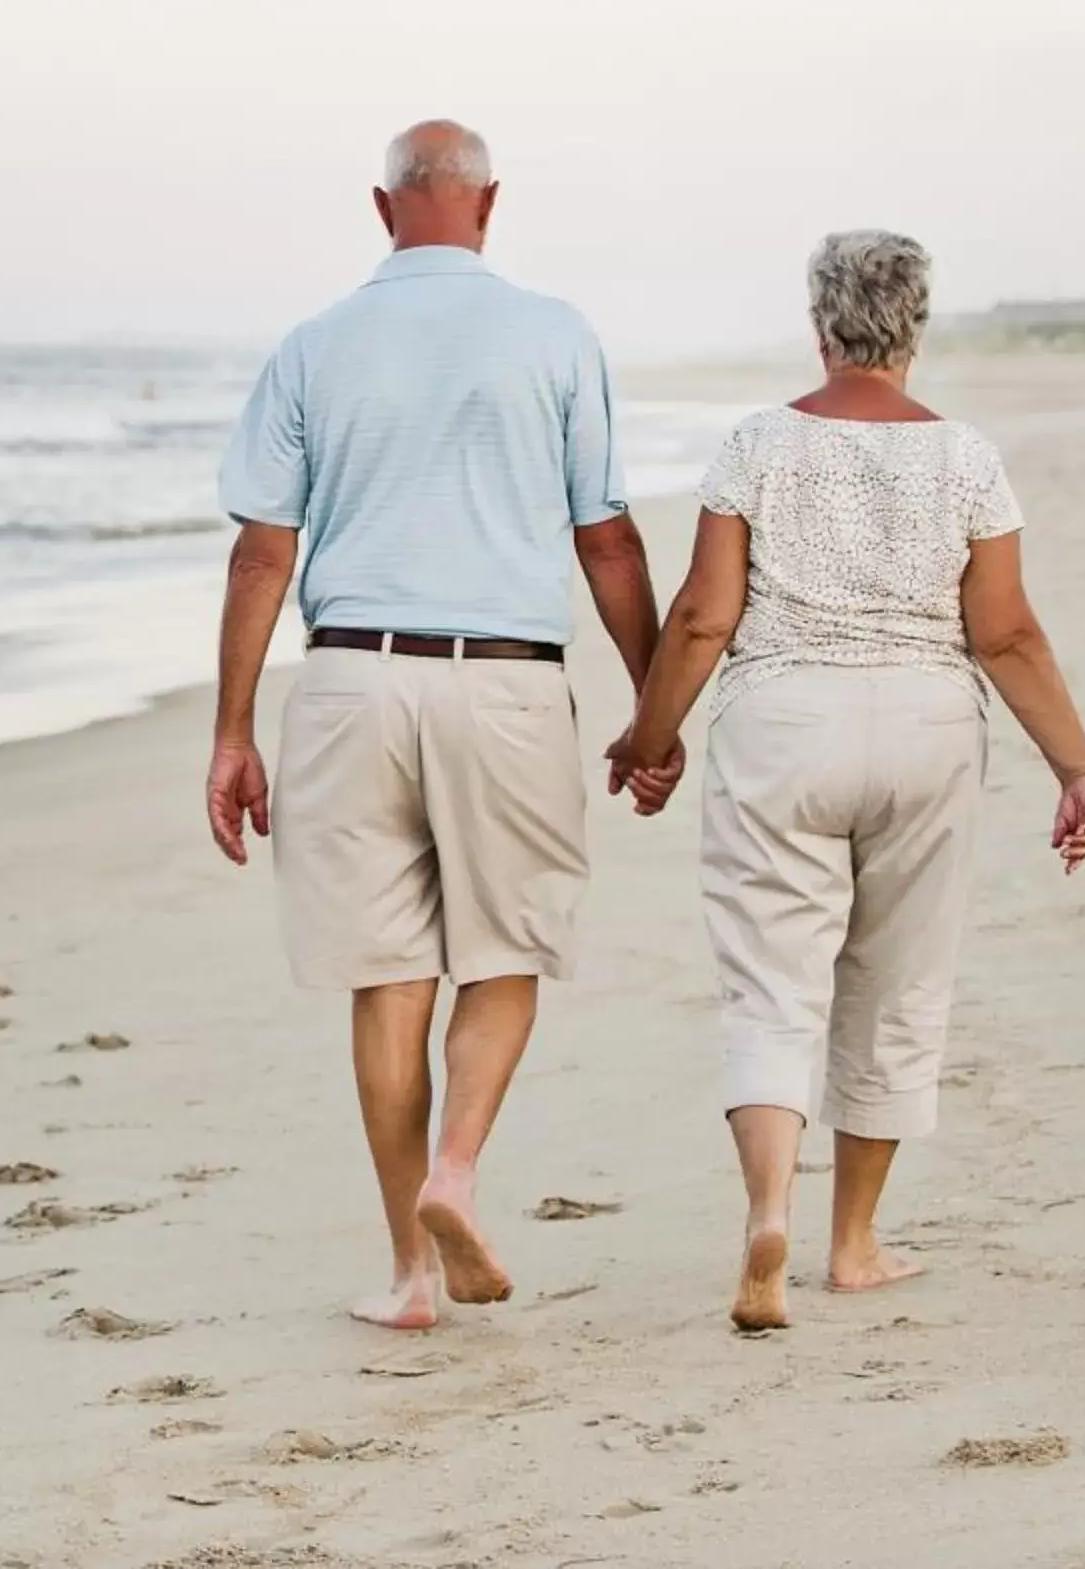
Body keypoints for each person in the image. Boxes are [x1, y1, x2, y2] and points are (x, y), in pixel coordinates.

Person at [206, 119, 670, 1331]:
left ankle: (410, 1275)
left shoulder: (314, 345)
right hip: (505, 679)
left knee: (387, 974)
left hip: (350, 680)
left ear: (382, 207)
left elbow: (264, 550)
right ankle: (455, 1173)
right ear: (489, 204)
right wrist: (653, 705)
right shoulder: (556, 335)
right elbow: (606, 535)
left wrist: (232, 731)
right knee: (505, 950)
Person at [609, 229, 1085, 1333]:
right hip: (928, 726)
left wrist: (649, 737)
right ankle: (856, 1243)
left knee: (772, 985)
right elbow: (1008, 633)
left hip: (784, 722)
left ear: (821, 325)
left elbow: (701, 617)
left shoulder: (759, 445)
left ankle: (771, 1214)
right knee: (896, 985)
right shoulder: (966, 457)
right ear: (914, 328)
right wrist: (1073, 764)